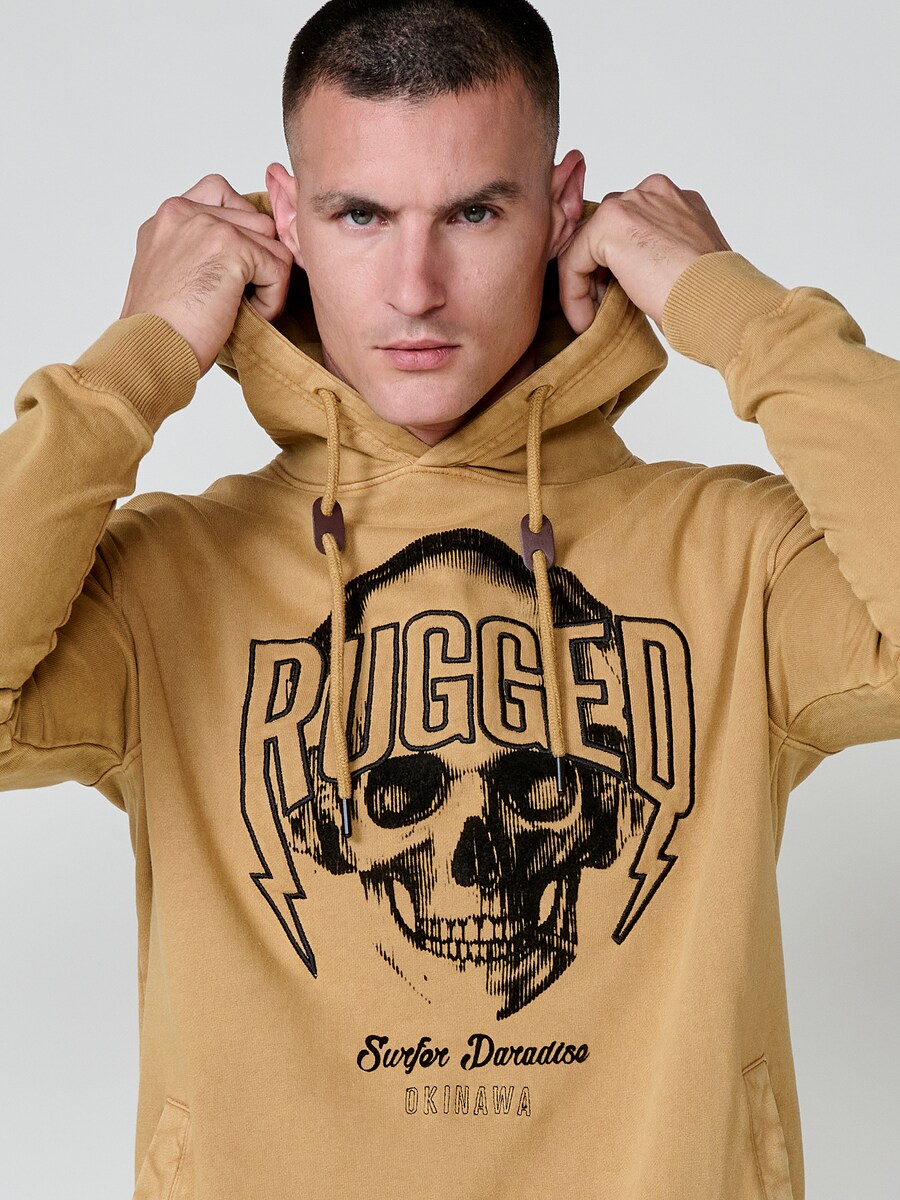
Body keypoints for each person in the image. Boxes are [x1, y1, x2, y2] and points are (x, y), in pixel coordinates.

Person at [1, 0, 897, 1196]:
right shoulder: (166, 584)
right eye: (360, 215)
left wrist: (734, 309)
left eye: (474, 212)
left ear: (562, 210)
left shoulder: (736, 561)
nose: (415, 288)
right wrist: (139, 355)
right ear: (285, 219)